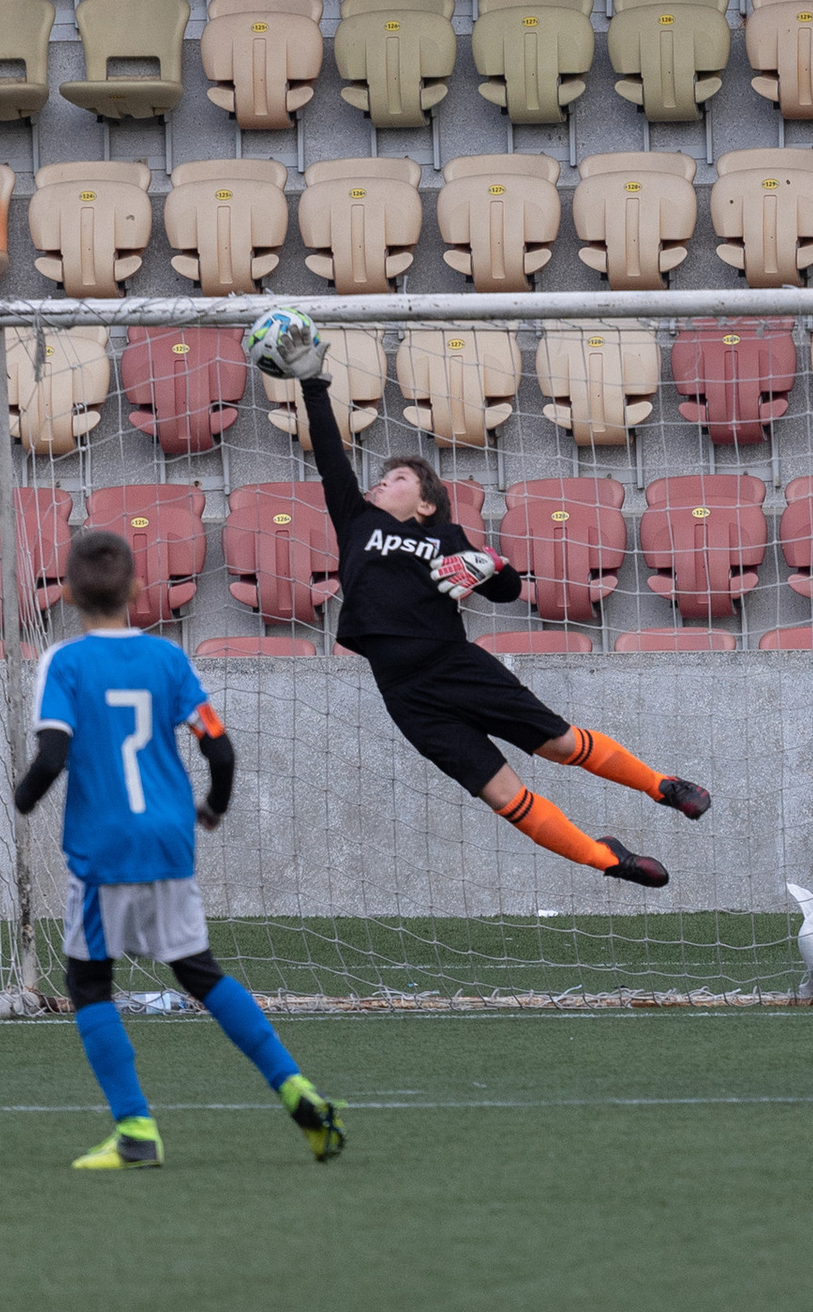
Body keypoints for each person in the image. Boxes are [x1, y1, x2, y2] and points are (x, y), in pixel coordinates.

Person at [246, 305, 707, 884]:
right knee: (503, 796)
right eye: (381, 478)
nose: (380, 482)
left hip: (455, 665)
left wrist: (487, 563)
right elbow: (331, 456)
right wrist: (314, 382)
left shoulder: (447, 537)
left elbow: (510, 590)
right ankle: (606, 858)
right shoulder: (357, 520)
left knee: (560, 746)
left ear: (426, 504)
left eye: (397, 480)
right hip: (404, 692)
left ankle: (664, 786)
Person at [13, 522, 345, 1174]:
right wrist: (214, 807)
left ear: (71, 595)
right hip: (169, 836)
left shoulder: (65, 663)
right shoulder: (171, 660)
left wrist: (22, 799)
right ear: (137, 588)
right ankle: (294, 1087)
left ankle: (136, 1128)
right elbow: (219, 748)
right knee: (199, 972)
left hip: (103, 847)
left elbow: (52, 753)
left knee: (88, 982)